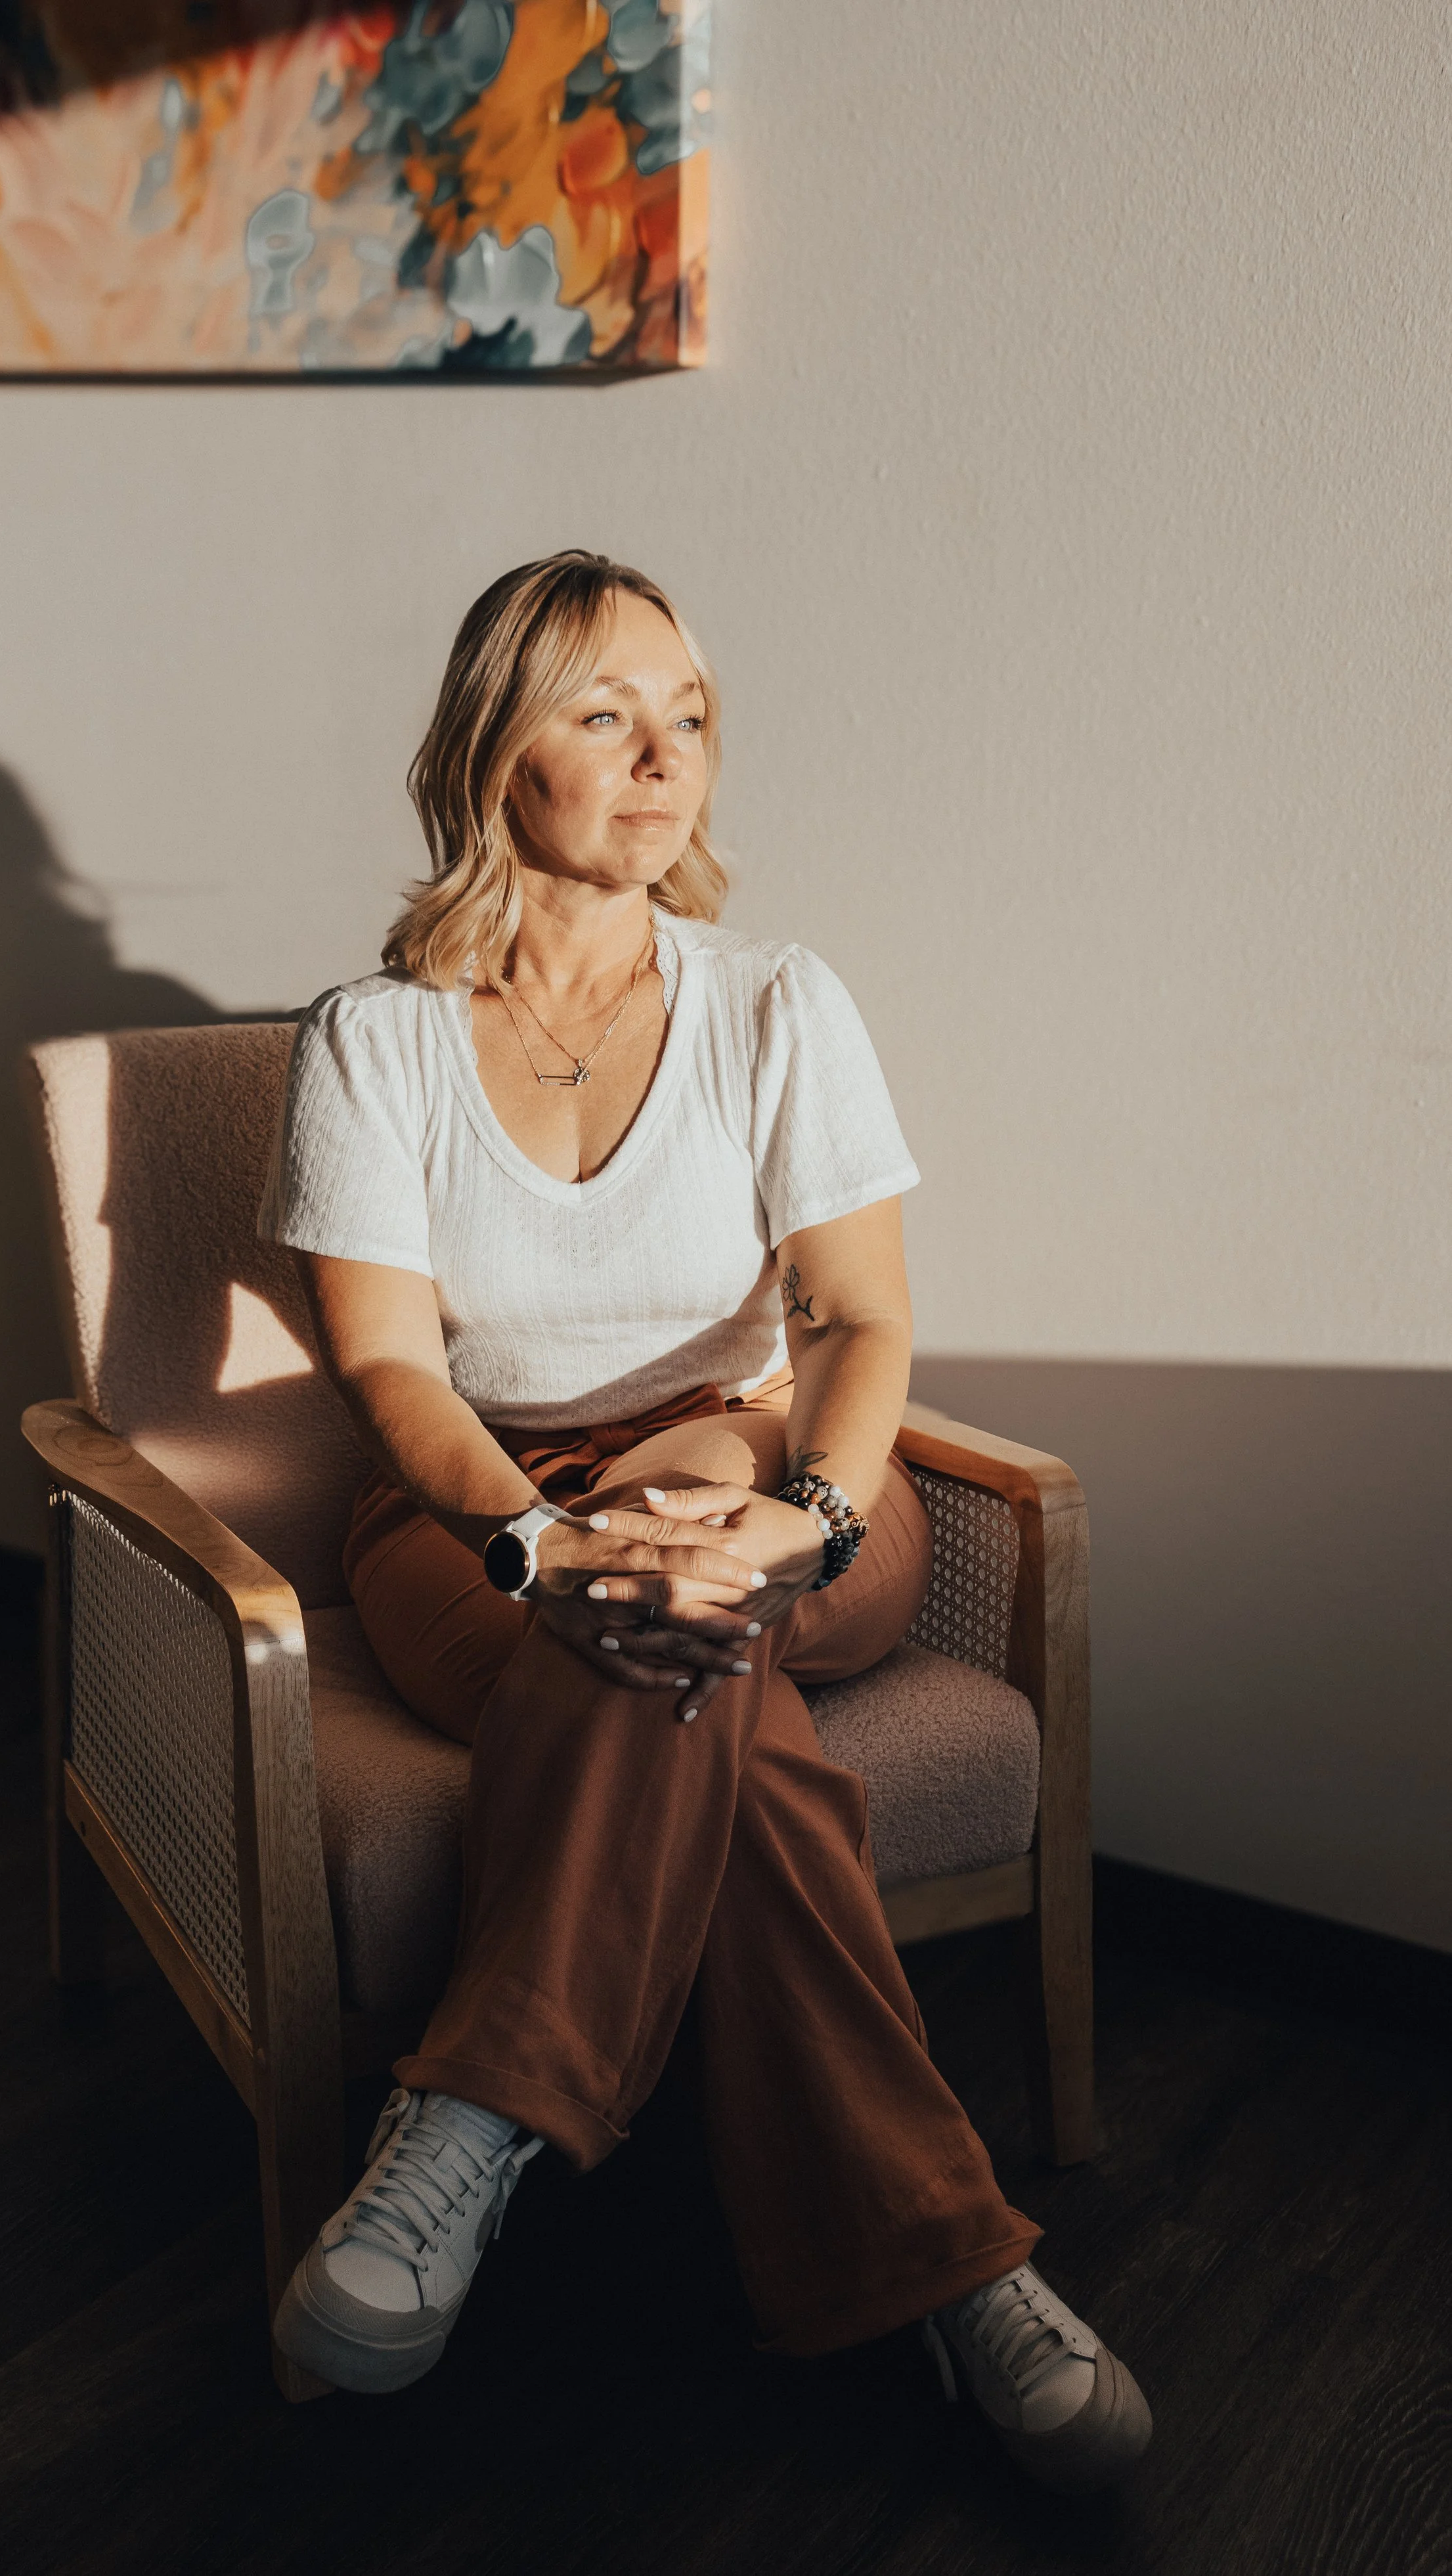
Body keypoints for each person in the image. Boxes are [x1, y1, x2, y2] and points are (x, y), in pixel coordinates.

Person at [258, 552, 1151, 2493]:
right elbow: (390, 1369)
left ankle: (471, 2114)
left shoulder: (778, 1004)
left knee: (699, 1587)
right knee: (696, 1676)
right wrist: (542, 1546)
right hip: (476, 1505)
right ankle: (952, 2262)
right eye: (606, 716)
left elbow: (858, 1325)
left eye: (690, 716)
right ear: (495, 753)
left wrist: (805, 1513)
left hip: (766, 1474)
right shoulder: (371, 1036)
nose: (667, 759)